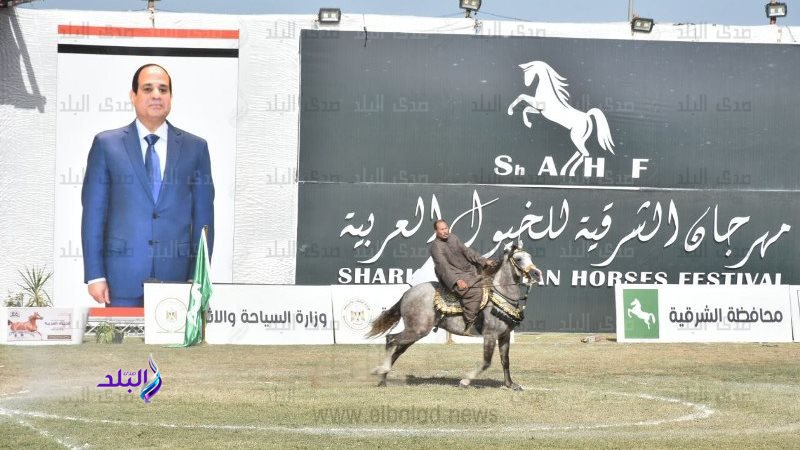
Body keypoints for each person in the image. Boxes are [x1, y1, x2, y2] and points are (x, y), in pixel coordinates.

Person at [81, 63, 214, 307]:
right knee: (123, 347)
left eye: (163, 90)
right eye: (148, 88)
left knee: (173, 346)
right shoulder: (106, 145)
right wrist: (95, 274)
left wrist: (199, 276)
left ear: (171, 97)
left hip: (178, 278)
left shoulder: (196, 148)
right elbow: (93, 215)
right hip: (120, 278)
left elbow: (204, 218)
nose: (156, 95)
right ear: (133, 96)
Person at [429, 219, 496, 333]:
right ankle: (470, 324)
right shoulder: (435, 247)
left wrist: (484, 261)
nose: (445, 231)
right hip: (451, 277)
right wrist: (457, 281)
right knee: (475, 292)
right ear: (436, 231)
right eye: (442, 229)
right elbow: (443, 267)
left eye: (446, 228)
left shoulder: (453, 238)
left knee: (491, 282)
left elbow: (467, 252)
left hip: (468, 272)